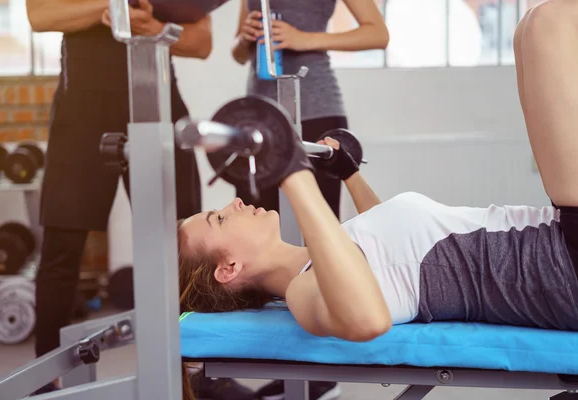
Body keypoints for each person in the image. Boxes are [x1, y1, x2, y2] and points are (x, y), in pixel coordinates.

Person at [177, 1, 578, 399]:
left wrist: (348, 174)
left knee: (527, 29)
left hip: (557, 237)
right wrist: (292, 174)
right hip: (561, 265)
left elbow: (388, 245)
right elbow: (367, 318)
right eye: (219, 219)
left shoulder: (326, 258)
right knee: (547, 24)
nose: (232, 205)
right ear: (229, 268)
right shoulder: (304, 293)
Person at [25, 1, 254, 398]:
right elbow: (39, 16)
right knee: (62, 246)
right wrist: (109, 8)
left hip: (156, 92)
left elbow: (201, 43)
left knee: (185, 241)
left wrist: (150, 24)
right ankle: (44, 381)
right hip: (82, 103)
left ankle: (201, 375)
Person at [231, 0, 389, 221]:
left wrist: (303, 39)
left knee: (318, 222)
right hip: (260, 116)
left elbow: (378, 34)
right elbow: (239, 55)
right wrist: (243, 39)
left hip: (316, 112)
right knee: (250, 221)